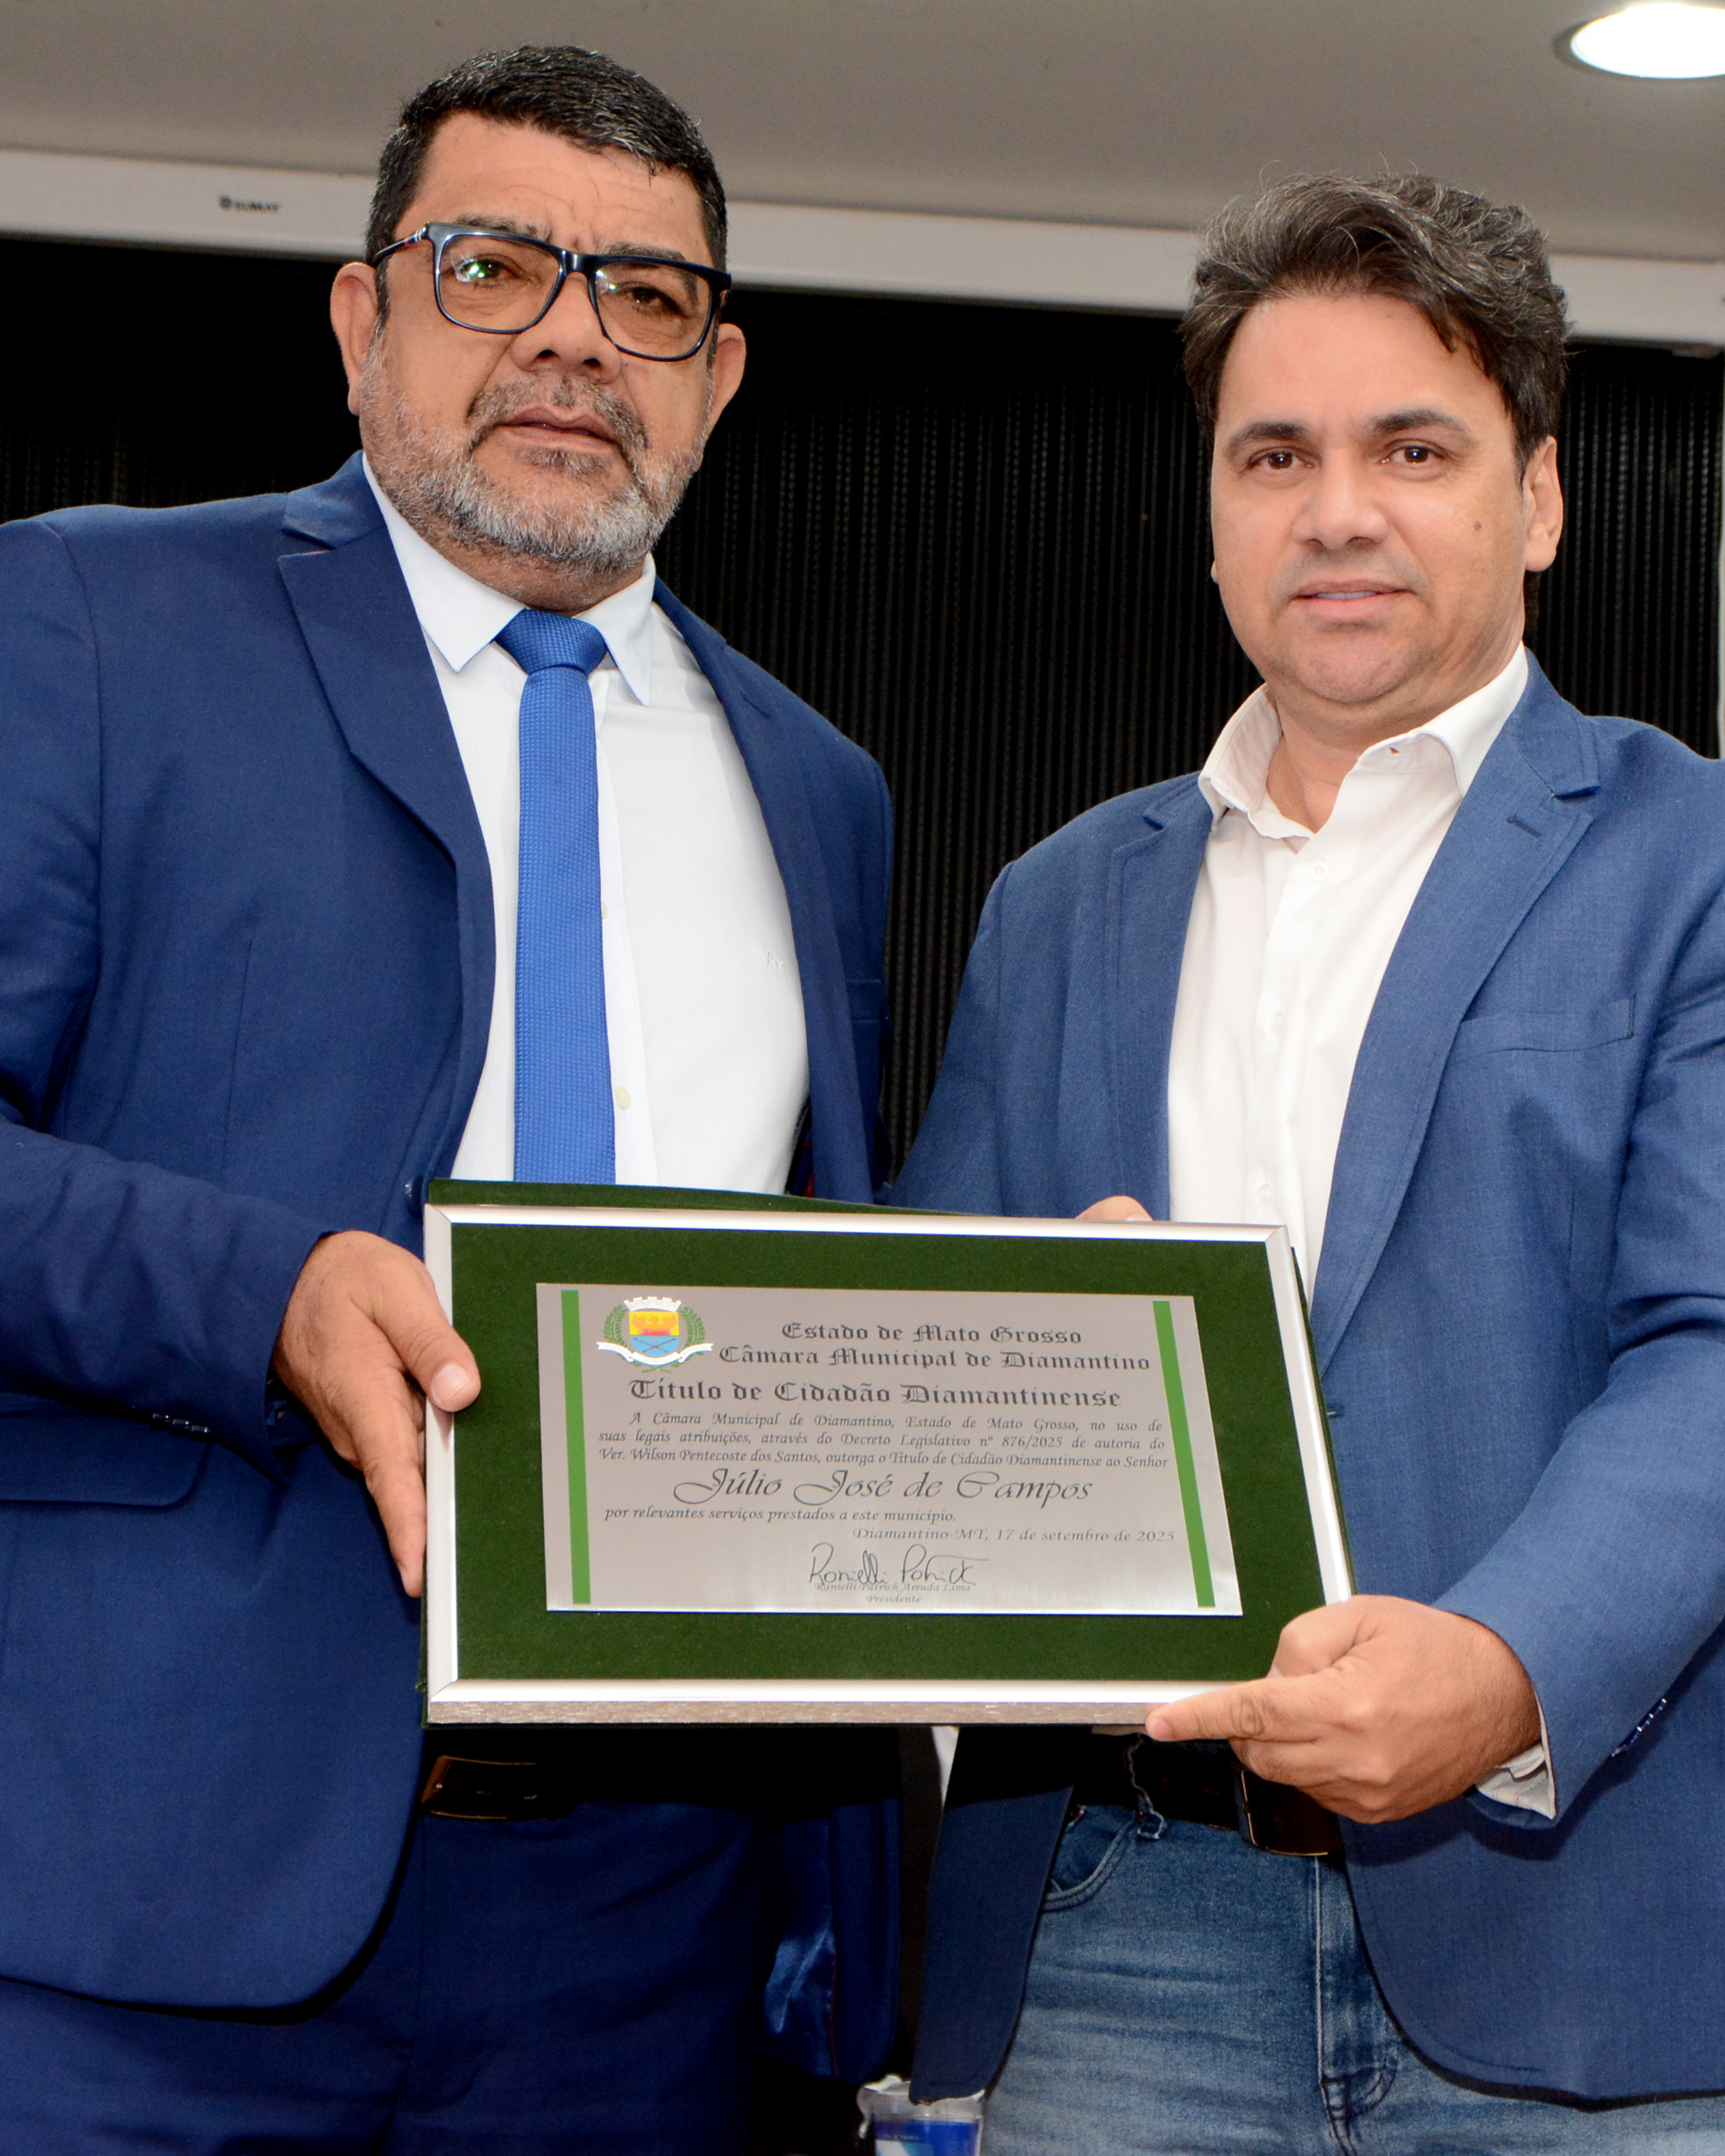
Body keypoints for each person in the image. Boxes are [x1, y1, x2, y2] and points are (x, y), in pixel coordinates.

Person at [0, 44, 896, 2155]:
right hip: (141, 1894)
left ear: (717, 378)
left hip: (651, 1928)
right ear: (360, 318)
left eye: (647, 296)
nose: (574, 336)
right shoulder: (89, 620)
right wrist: (267, 1293)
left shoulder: (822, 788)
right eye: (493, 267)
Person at [899, 173, 1725, 2149]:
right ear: (1210, 512)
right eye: (1273, 454)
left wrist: (1506, 1663)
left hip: (1573, 1937)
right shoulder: (1052, 904)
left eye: (1410, 449)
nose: (1335, 510)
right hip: (1121, 1926)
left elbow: (1709, 1341)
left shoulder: (1691, 859)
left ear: (1537, 499)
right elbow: (923, 1351)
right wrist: (1024, 1346)